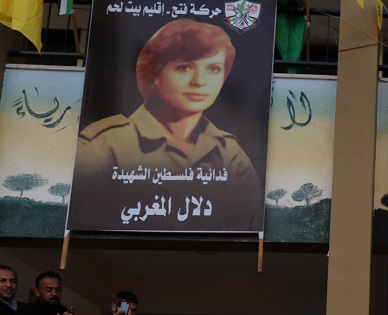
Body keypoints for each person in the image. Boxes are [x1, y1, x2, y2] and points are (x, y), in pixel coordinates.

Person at [74, 19, 263, 231]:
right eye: (184, 67)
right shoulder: (103, 146)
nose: (200, 81)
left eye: (213, 68)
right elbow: (85, 222)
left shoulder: (229, 152)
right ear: (154, 74)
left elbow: (250, 223)